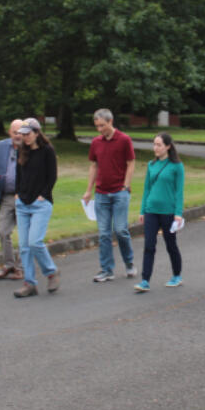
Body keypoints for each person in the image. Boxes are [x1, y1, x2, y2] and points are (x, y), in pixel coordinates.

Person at [82, 108, 136, 282]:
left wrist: (125, 185)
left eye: (102, 125)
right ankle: (106, 269)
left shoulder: (124, 140)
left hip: (119, 192)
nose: (99, 129)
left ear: (110, 122)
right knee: (104, 233)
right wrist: (89, 189)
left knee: (120, 230)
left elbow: (131, 162)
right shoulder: (96, 142)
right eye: (97, 126)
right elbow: (93, 166)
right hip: (101, 194)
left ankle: (129, 263)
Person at [13, 118, 61, 298]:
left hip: (40, 203)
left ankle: (51, 272)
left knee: (35, 242)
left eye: (28, 133)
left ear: (37, 133)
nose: (25, 137)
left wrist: (43, 194)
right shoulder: (22, 151)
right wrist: (17, 193)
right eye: (23, 134)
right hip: (22, 203)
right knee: (24, 246)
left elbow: (52, 176)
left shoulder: (47, 151)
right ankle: (29, 283)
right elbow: (18, 174)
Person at [135, 132, 185, 292]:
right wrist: (142, 210)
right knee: (149, 245)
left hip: (168, 212)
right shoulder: (151, 165)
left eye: (159, 145)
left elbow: (179, 192)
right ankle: (145, 280)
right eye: (154, 144)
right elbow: (146, 189)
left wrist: (178, 213)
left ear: (168, 146)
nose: (155, 148)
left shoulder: (177, 166)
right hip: (151, 210)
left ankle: (176, 275)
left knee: (171, 244)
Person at [0, 119, 25, 280]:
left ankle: (21, 268)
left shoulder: (29, 148)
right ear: (9, 132)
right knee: (3, 231)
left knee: (25, 234)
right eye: (15, 133)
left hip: (24, 197)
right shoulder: (0, 146)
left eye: (21, 133)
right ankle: (9, 265)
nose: (18, 136)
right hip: (6, 196)